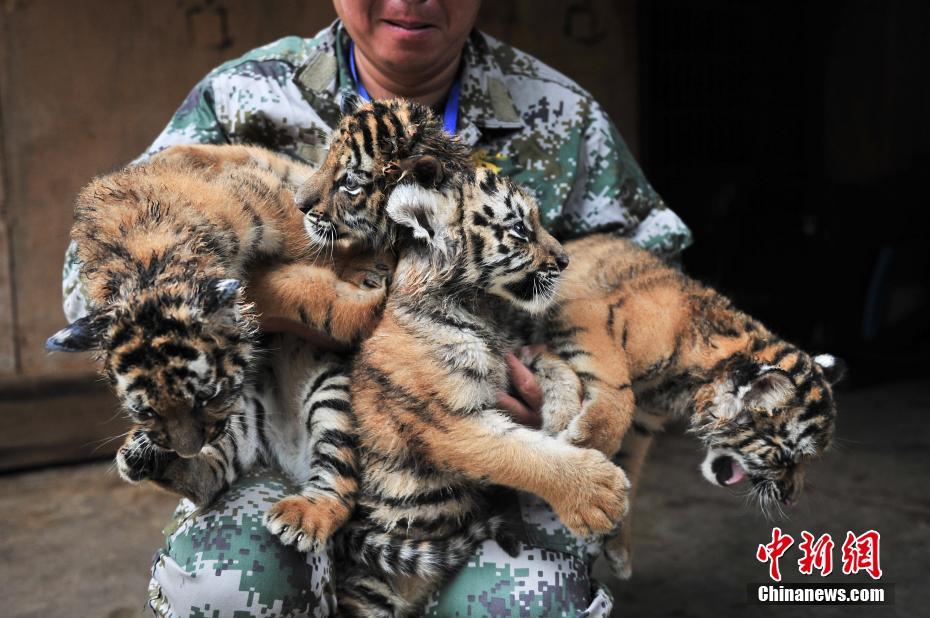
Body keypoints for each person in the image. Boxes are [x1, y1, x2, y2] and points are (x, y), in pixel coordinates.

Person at [61, 1, 692, 616]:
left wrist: (572, 379)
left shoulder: (561, 111)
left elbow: (651, 289)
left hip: (483, 468)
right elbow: (94, 284)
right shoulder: (239, 96)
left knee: (528, 604)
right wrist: (280, 303)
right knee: (228, 585)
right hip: (281, 446)